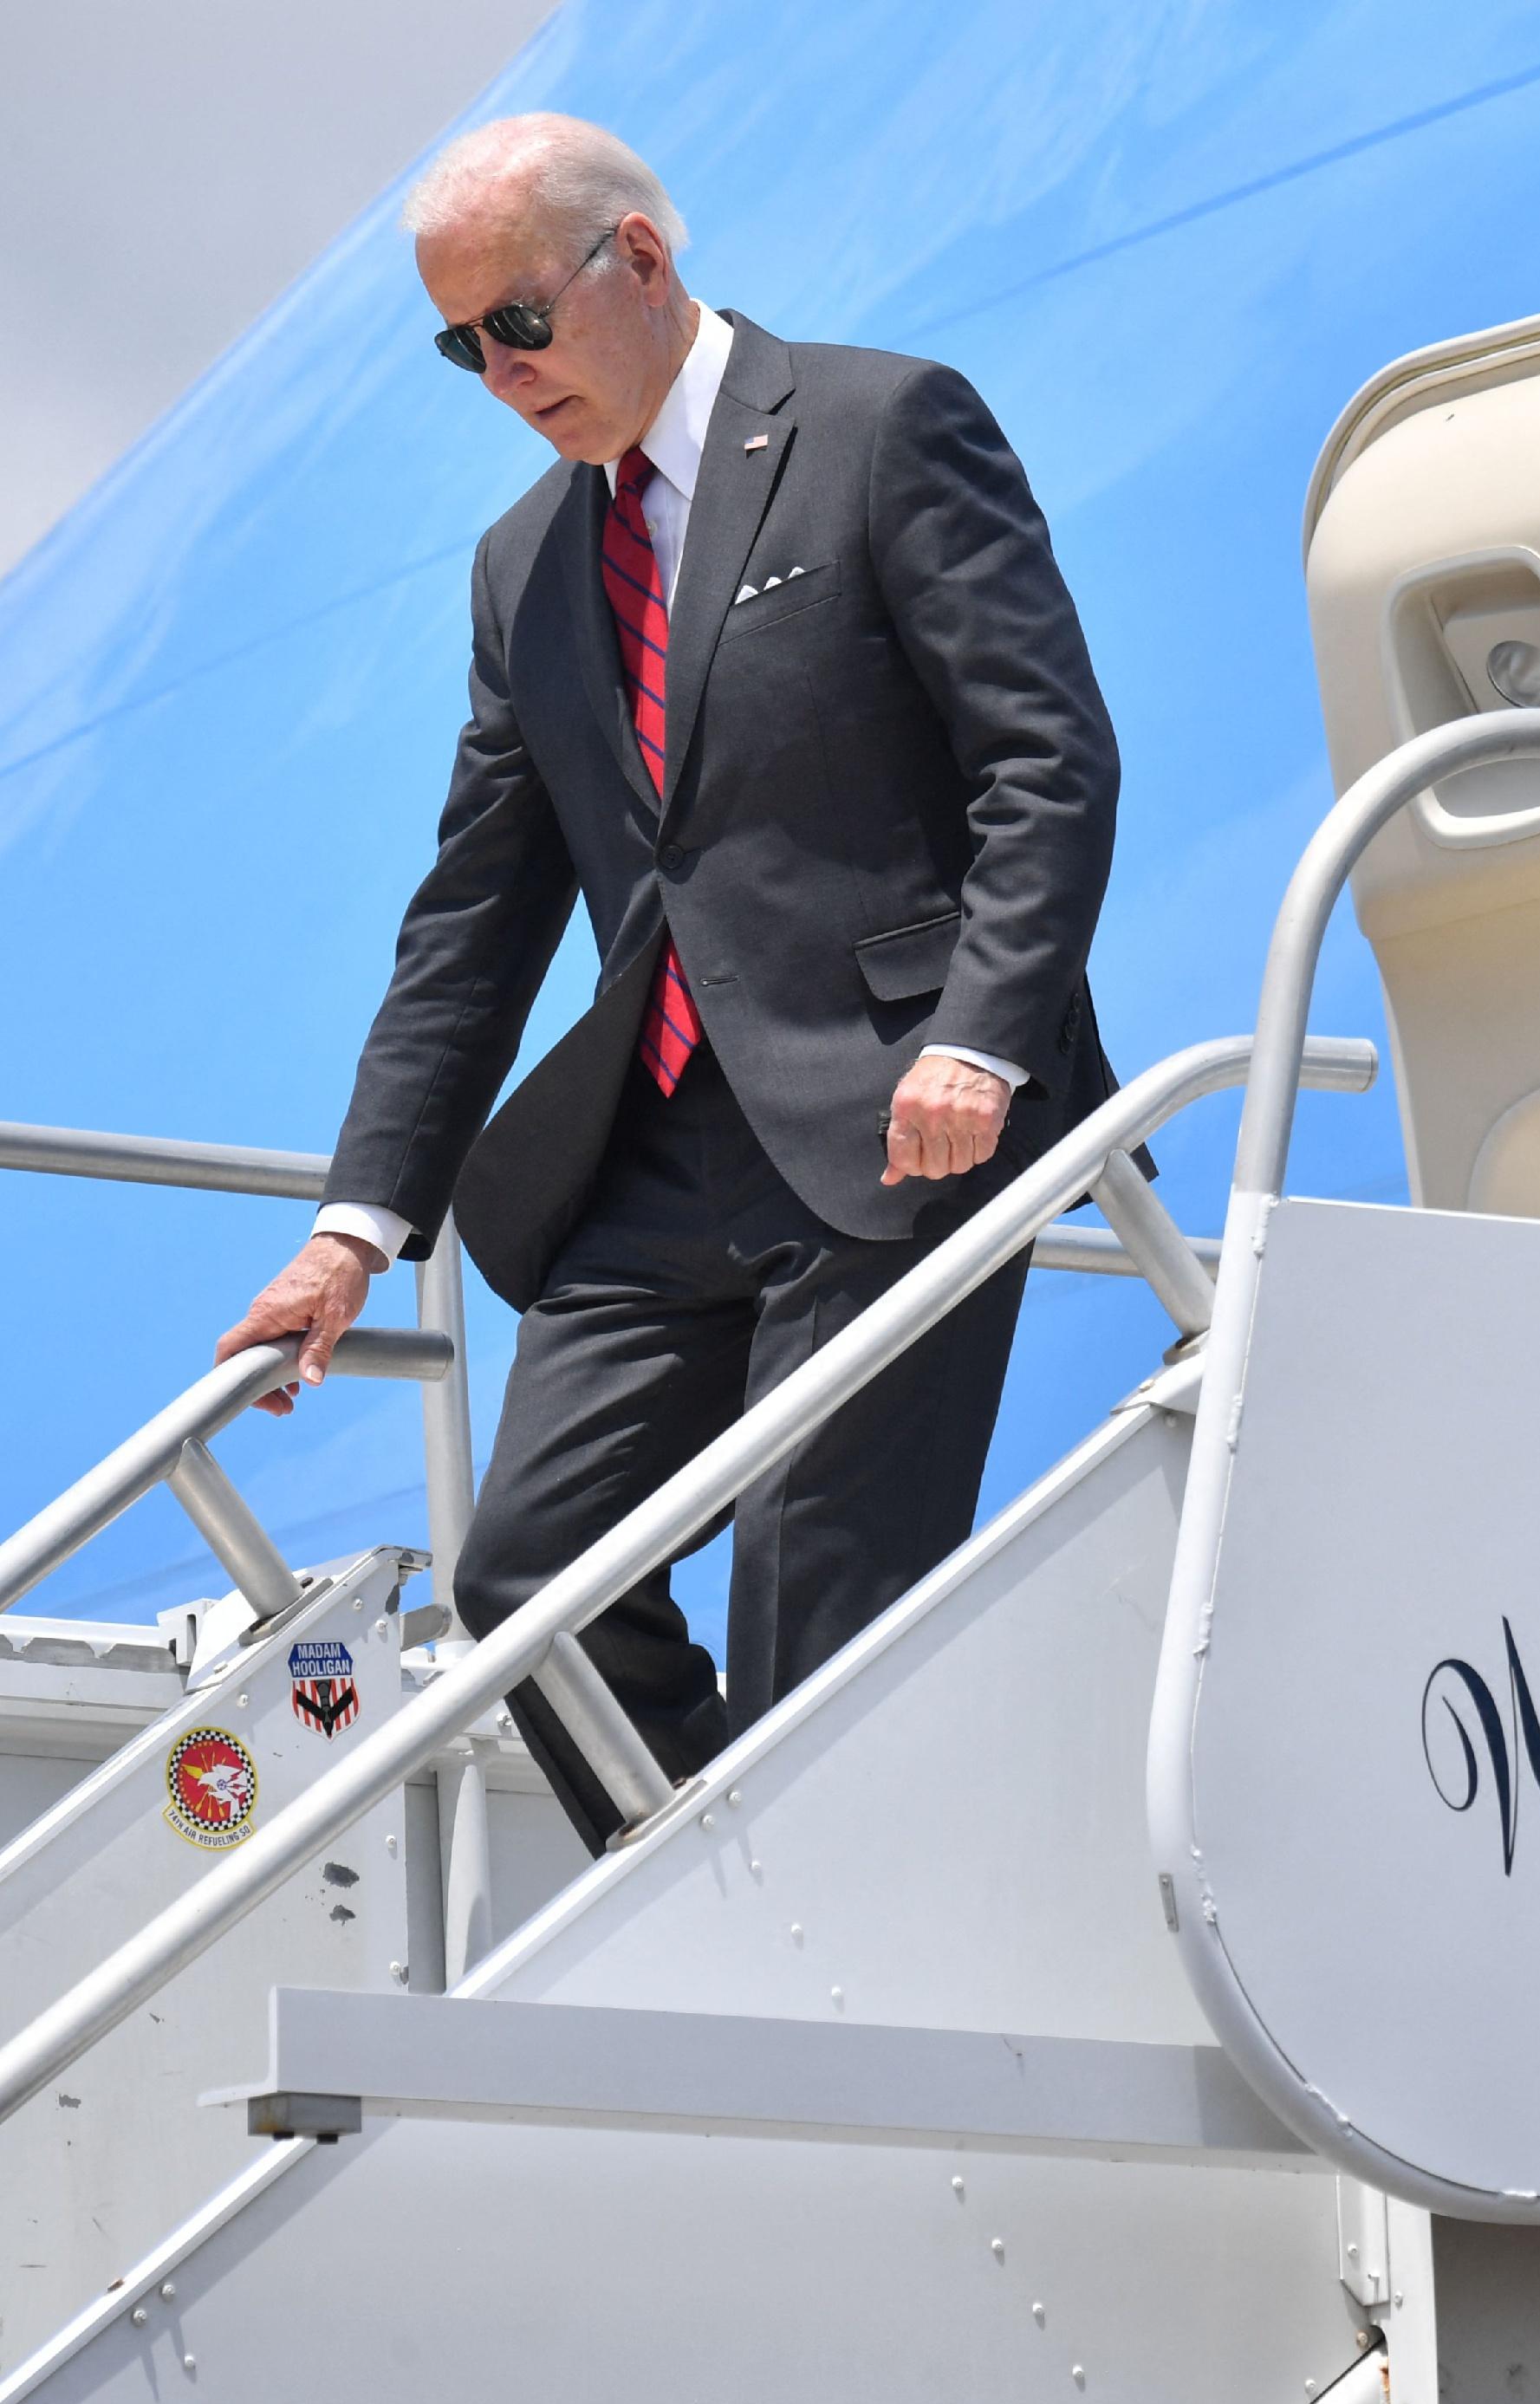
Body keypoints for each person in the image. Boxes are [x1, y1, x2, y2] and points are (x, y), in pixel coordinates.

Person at [215, 114, 1121, 1851]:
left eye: (519, 324)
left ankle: (792, 1924)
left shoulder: (878, 428)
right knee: (527, 1570)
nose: (496, 374)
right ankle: (720, 1874)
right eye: (457, 345)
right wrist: (355, 1231)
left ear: (636, 258)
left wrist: (986, 1045)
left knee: (806, 1562)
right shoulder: (525, 567)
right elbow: (476, 914)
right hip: (659, 1147)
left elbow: (1049, 764)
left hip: (903, 1108)